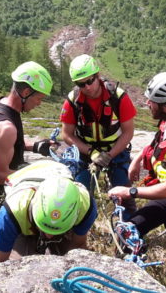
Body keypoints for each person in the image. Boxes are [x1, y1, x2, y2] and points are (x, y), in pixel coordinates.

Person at [107, 72, 166, 238]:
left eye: (152, 101)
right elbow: (158, 143)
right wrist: (139, 158)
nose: (147, 103)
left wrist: (130, 192)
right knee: (129, 231)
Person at [60, 54, 137, 215]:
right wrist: (91, 152)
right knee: (79, 196)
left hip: (116, 151)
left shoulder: (118, 97)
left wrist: (108, 155)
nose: (87, 87)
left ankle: (128, 231)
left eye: (90, 81)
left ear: (98, 76)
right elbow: (66, 134)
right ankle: (78, 234)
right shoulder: (73, 100)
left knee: (124, 197)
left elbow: (128, 132)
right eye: (81, 84)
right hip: (86, 153)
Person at [0, 61, 53, 218]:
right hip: (6, 201)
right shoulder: (6, 128)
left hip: (7, 195)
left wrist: (35, 146)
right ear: (25, 92)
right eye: (39, 98)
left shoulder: (0, 106)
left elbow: (10, 144)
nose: (39, 103)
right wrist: (40, 175)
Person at [0, 160, 98, 262]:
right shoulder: (12, 213)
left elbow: (77, 247)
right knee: (18, 262)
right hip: (23, 190)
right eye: (44, 228)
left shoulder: (86, 207)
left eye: (55, 231)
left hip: (56, 172)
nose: (49, 236)